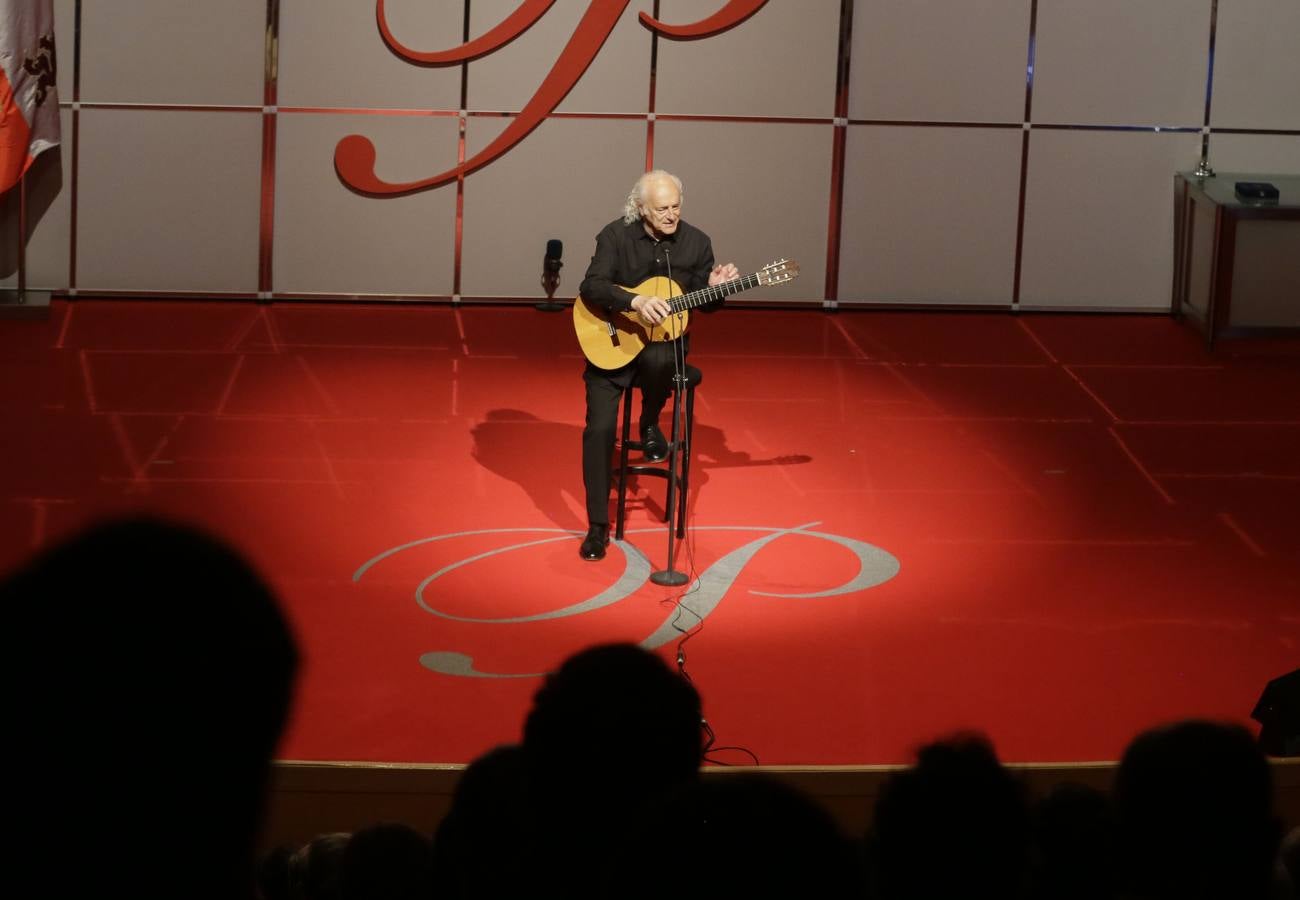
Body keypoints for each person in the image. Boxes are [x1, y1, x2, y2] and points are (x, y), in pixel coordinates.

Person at [576, 169, 738, 560]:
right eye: (662, 208)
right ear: (641, 209)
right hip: (612, 345)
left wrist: (715, 290)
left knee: (665, 353)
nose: (671, 215)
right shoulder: (615, 236)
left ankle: (650, 421)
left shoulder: (697, 242)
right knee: (598, 430)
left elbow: (705, 301)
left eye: (676, 206)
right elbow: (592, 286)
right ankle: (598, 526)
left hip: (662, 351)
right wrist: (634, 302)